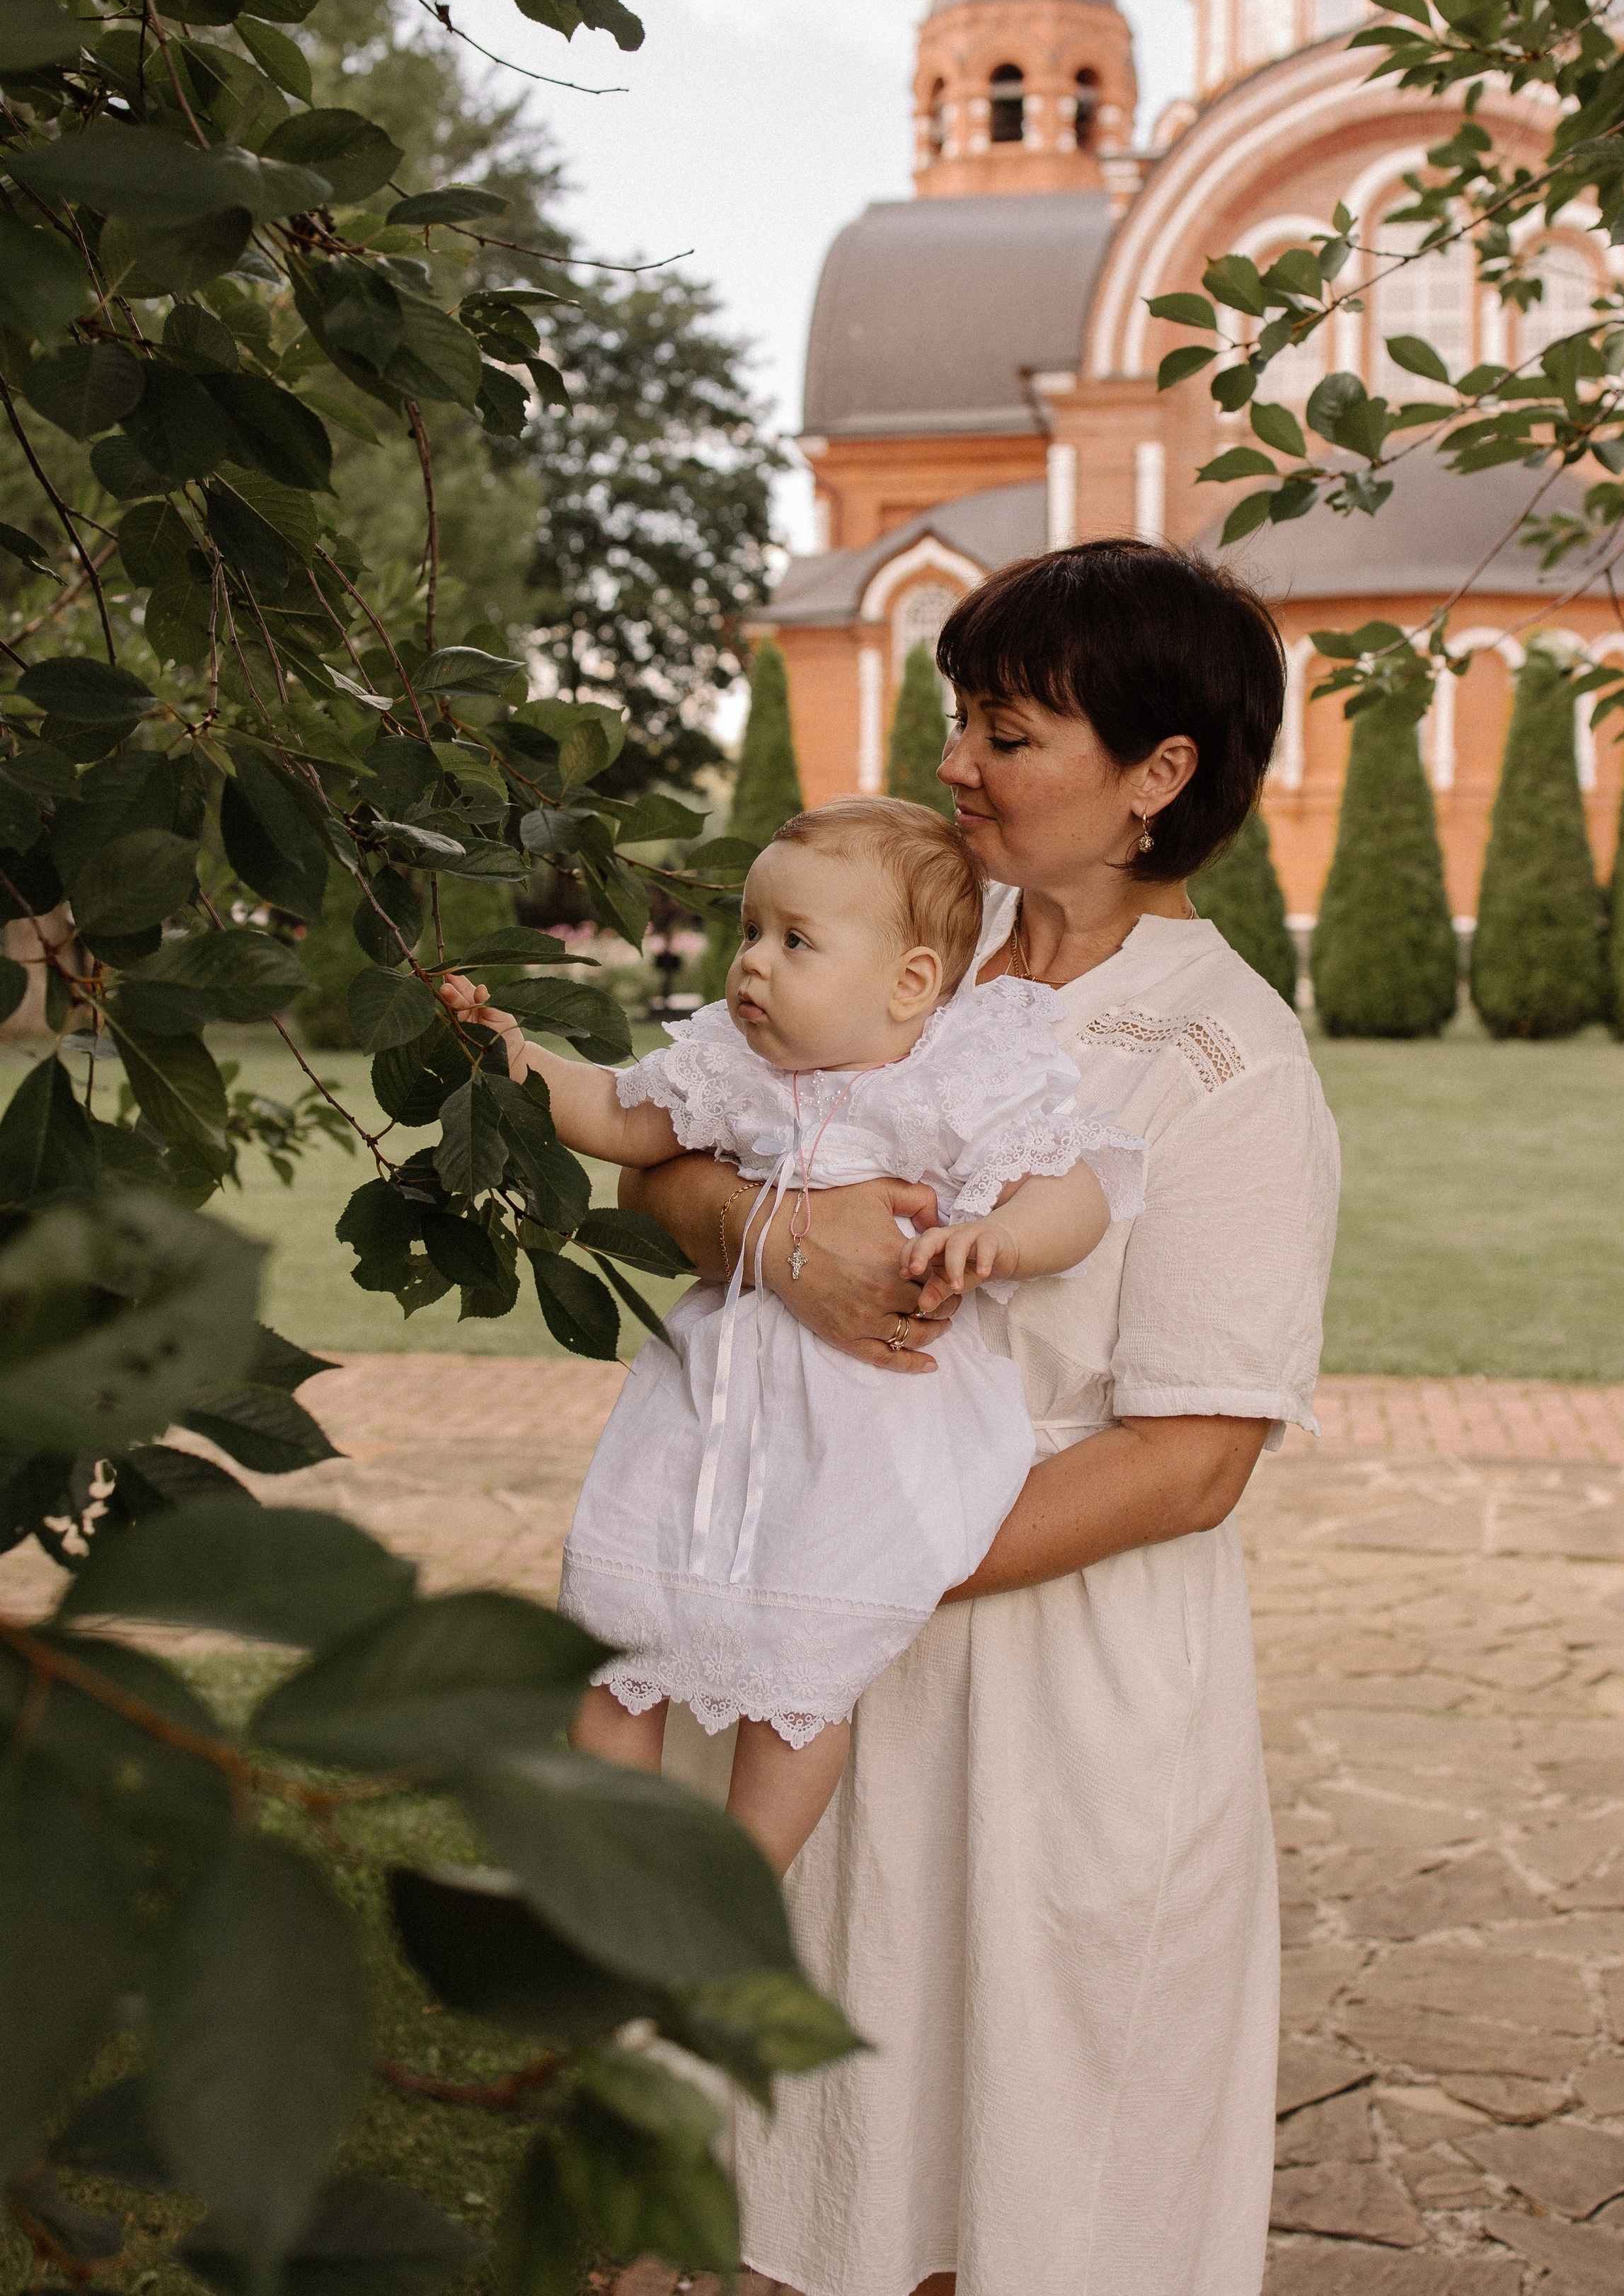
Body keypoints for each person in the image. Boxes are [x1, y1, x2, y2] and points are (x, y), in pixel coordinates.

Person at [620, 538, 1341, 2296]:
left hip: (1045, 1709)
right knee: (771, 2180)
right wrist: (781, 1246)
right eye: (960, 720)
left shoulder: (1216, 1067)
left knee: (1009, 2198)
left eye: (1006, 733)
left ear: (1157, 778)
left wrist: (863, 1555)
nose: (953, 764)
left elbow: (1193, 1461)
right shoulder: (899, 948)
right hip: (810, 1683)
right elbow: (672, 1171)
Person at [439, 796, 1143, 1874]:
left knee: (799, 1688)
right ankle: (601, 1870)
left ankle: (735, 1884)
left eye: (795, 941)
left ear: (910, 982)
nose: (753, 965)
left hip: (863, 1423)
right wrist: (511, 1056)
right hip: (707, 1404)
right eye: (752, 932)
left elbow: (1077, 1189)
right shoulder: (736, 1069)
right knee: (619, 1631)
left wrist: (999, 1237)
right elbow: (620, 1117)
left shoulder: (960, 1077)